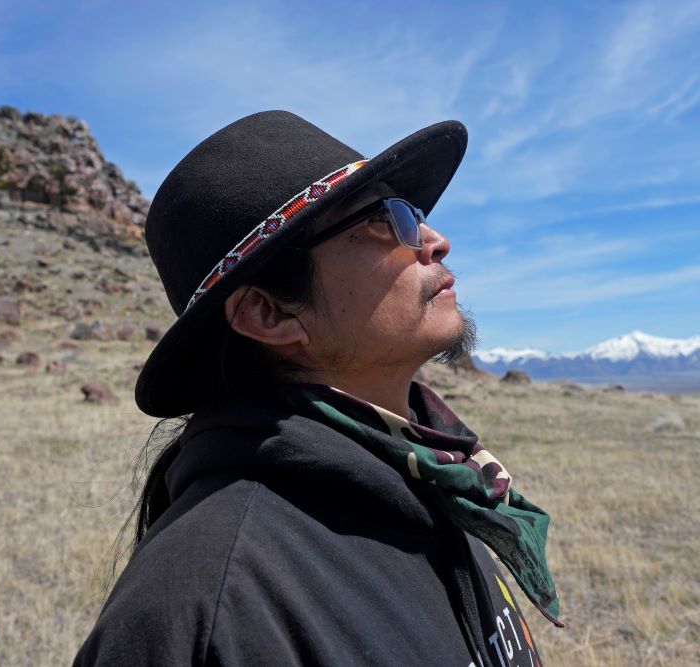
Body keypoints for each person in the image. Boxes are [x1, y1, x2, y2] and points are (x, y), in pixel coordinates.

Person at [74, 111, 563, 666]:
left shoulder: (439, 478)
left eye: (416, 213)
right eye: (385, 221)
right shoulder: (207, 609)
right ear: (269, 312)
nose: (437, 241)